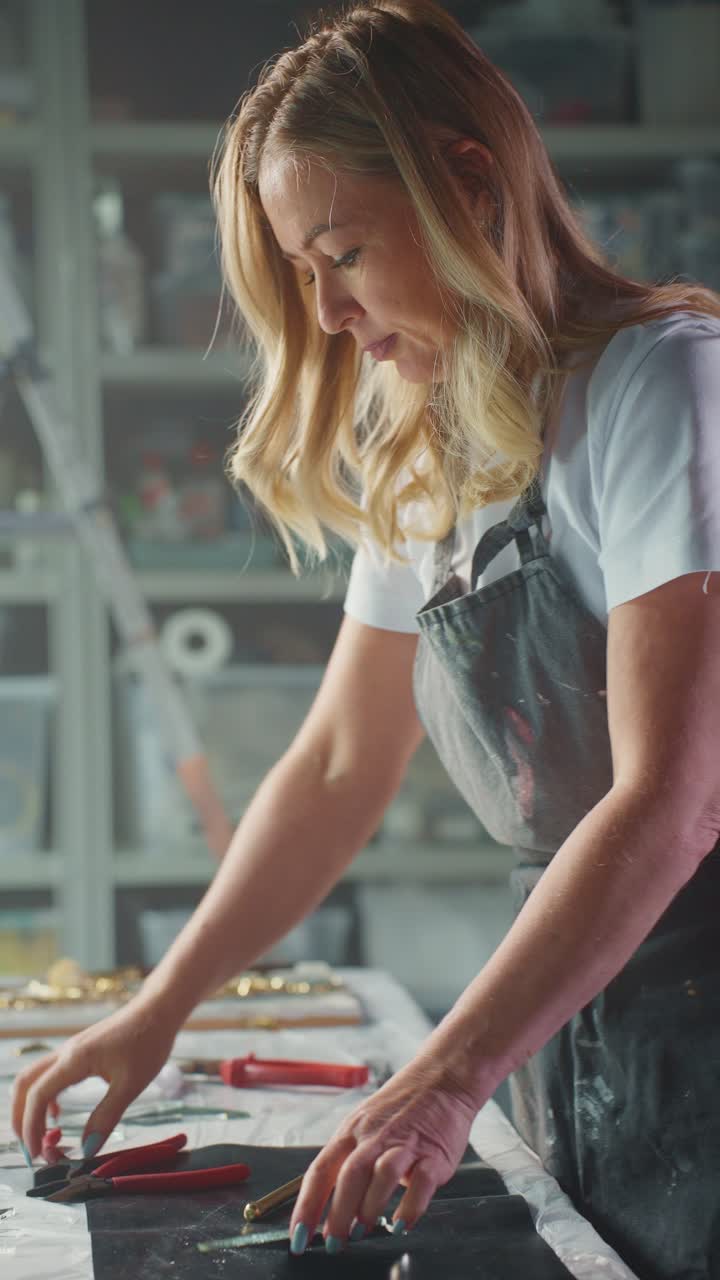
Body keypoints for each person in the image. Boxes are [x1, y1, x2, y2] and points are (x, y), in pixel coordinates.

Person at [12, 2, 720, 1274]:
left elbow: (670, 801)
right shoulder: (435, 437)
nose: (327, 313)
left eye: (339, 250)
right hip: (563, 1023)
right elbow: (339, 762)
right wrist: (159, 1010)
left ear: (468, 183)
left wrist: (443, 1079)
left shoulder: (663, 386)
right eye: (300, 270)